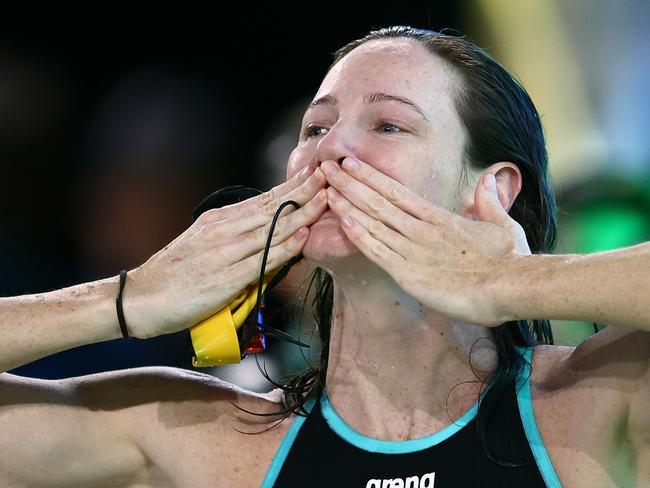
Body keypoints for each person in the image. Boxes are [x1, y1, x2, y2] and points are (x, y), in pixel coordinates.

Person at [1, 26, 649, 487]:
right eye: (315, 128)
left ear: (493, 190)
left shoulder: (600, 401)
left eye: (389, 125)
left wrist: (513, 280)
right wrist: (128, 298)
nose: (329, 151)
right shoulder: (205, 437)